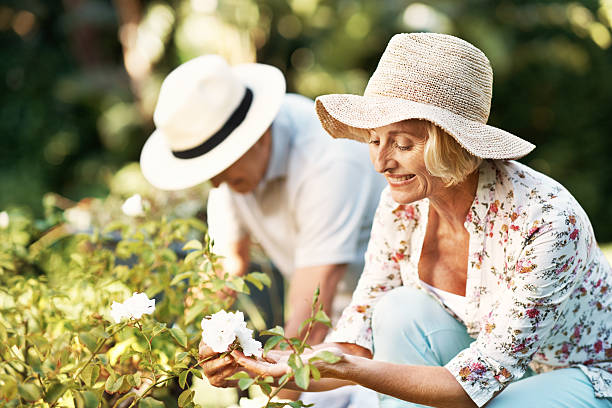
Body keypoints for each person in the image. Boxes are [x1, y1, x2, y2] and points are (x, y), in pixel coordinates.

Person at [199, 33, 612, 407]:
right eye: (375, 140)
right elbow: (356, 346)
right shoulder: (402, 206)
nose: (381, 162)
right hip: (481, 370)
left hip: (576, 377)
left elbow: (476, 385)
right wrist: (267, 361)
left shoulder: (546, 221)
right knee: (398, 311)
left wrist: (353, 373)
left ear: (450, 143)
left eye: (403, 144)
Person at [140, 55, 384, 406]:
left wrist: (275, 402)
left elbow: (310, 321)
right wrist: (192, 351)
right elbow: (225, 268)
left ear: (257, 135)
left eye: (219, 165)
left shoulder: (328, 160)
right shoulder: (231, 174)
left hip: (383, 329)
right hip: (323, 335)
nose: (215, 181)